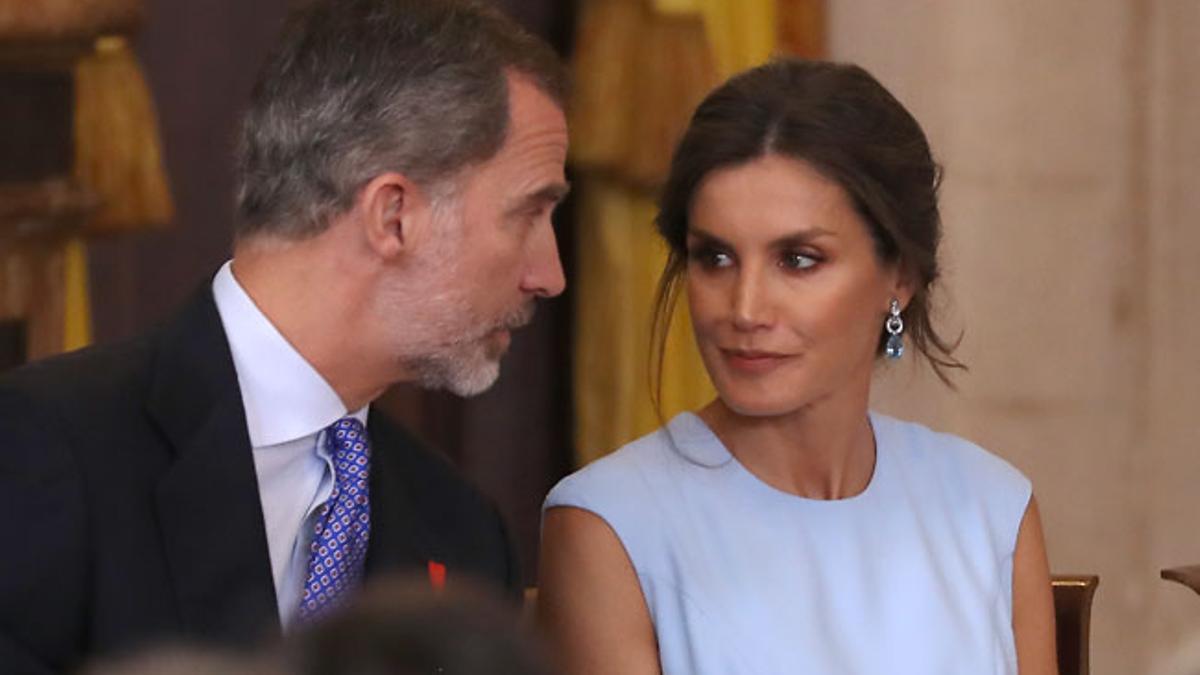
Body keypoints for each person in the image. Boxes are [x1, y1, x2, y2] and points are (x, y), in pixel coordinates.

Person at [0, 0, 569, 673]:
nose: (550, 274)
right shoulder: (44, 447)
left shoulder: (465, 534)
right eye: (529, 211)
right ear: (393, 216)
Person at [538, 59, 1058, 674]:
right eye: (716, 258)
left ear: (900, 277)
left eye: (799, 260)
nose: (746, 308)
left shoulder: (989, 508)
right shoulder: (609, 525)